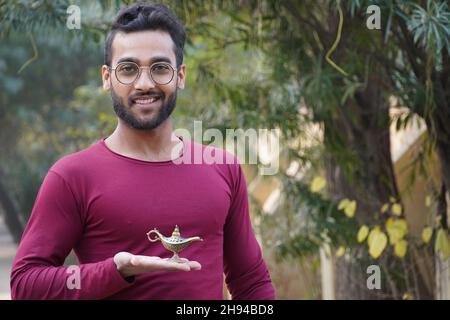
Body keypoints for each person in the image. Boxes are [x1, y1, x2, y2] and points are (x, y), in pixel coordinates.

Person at [10, 2, 275, 300]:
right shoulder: (72, 177)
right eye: (128, 69)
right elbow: (26, 284)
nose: (145, 83)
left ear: (181, 75)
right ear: (107, 77)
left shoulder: (222, 168)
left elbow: (252, 284)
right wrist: (115, 271)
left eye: (160, 68)